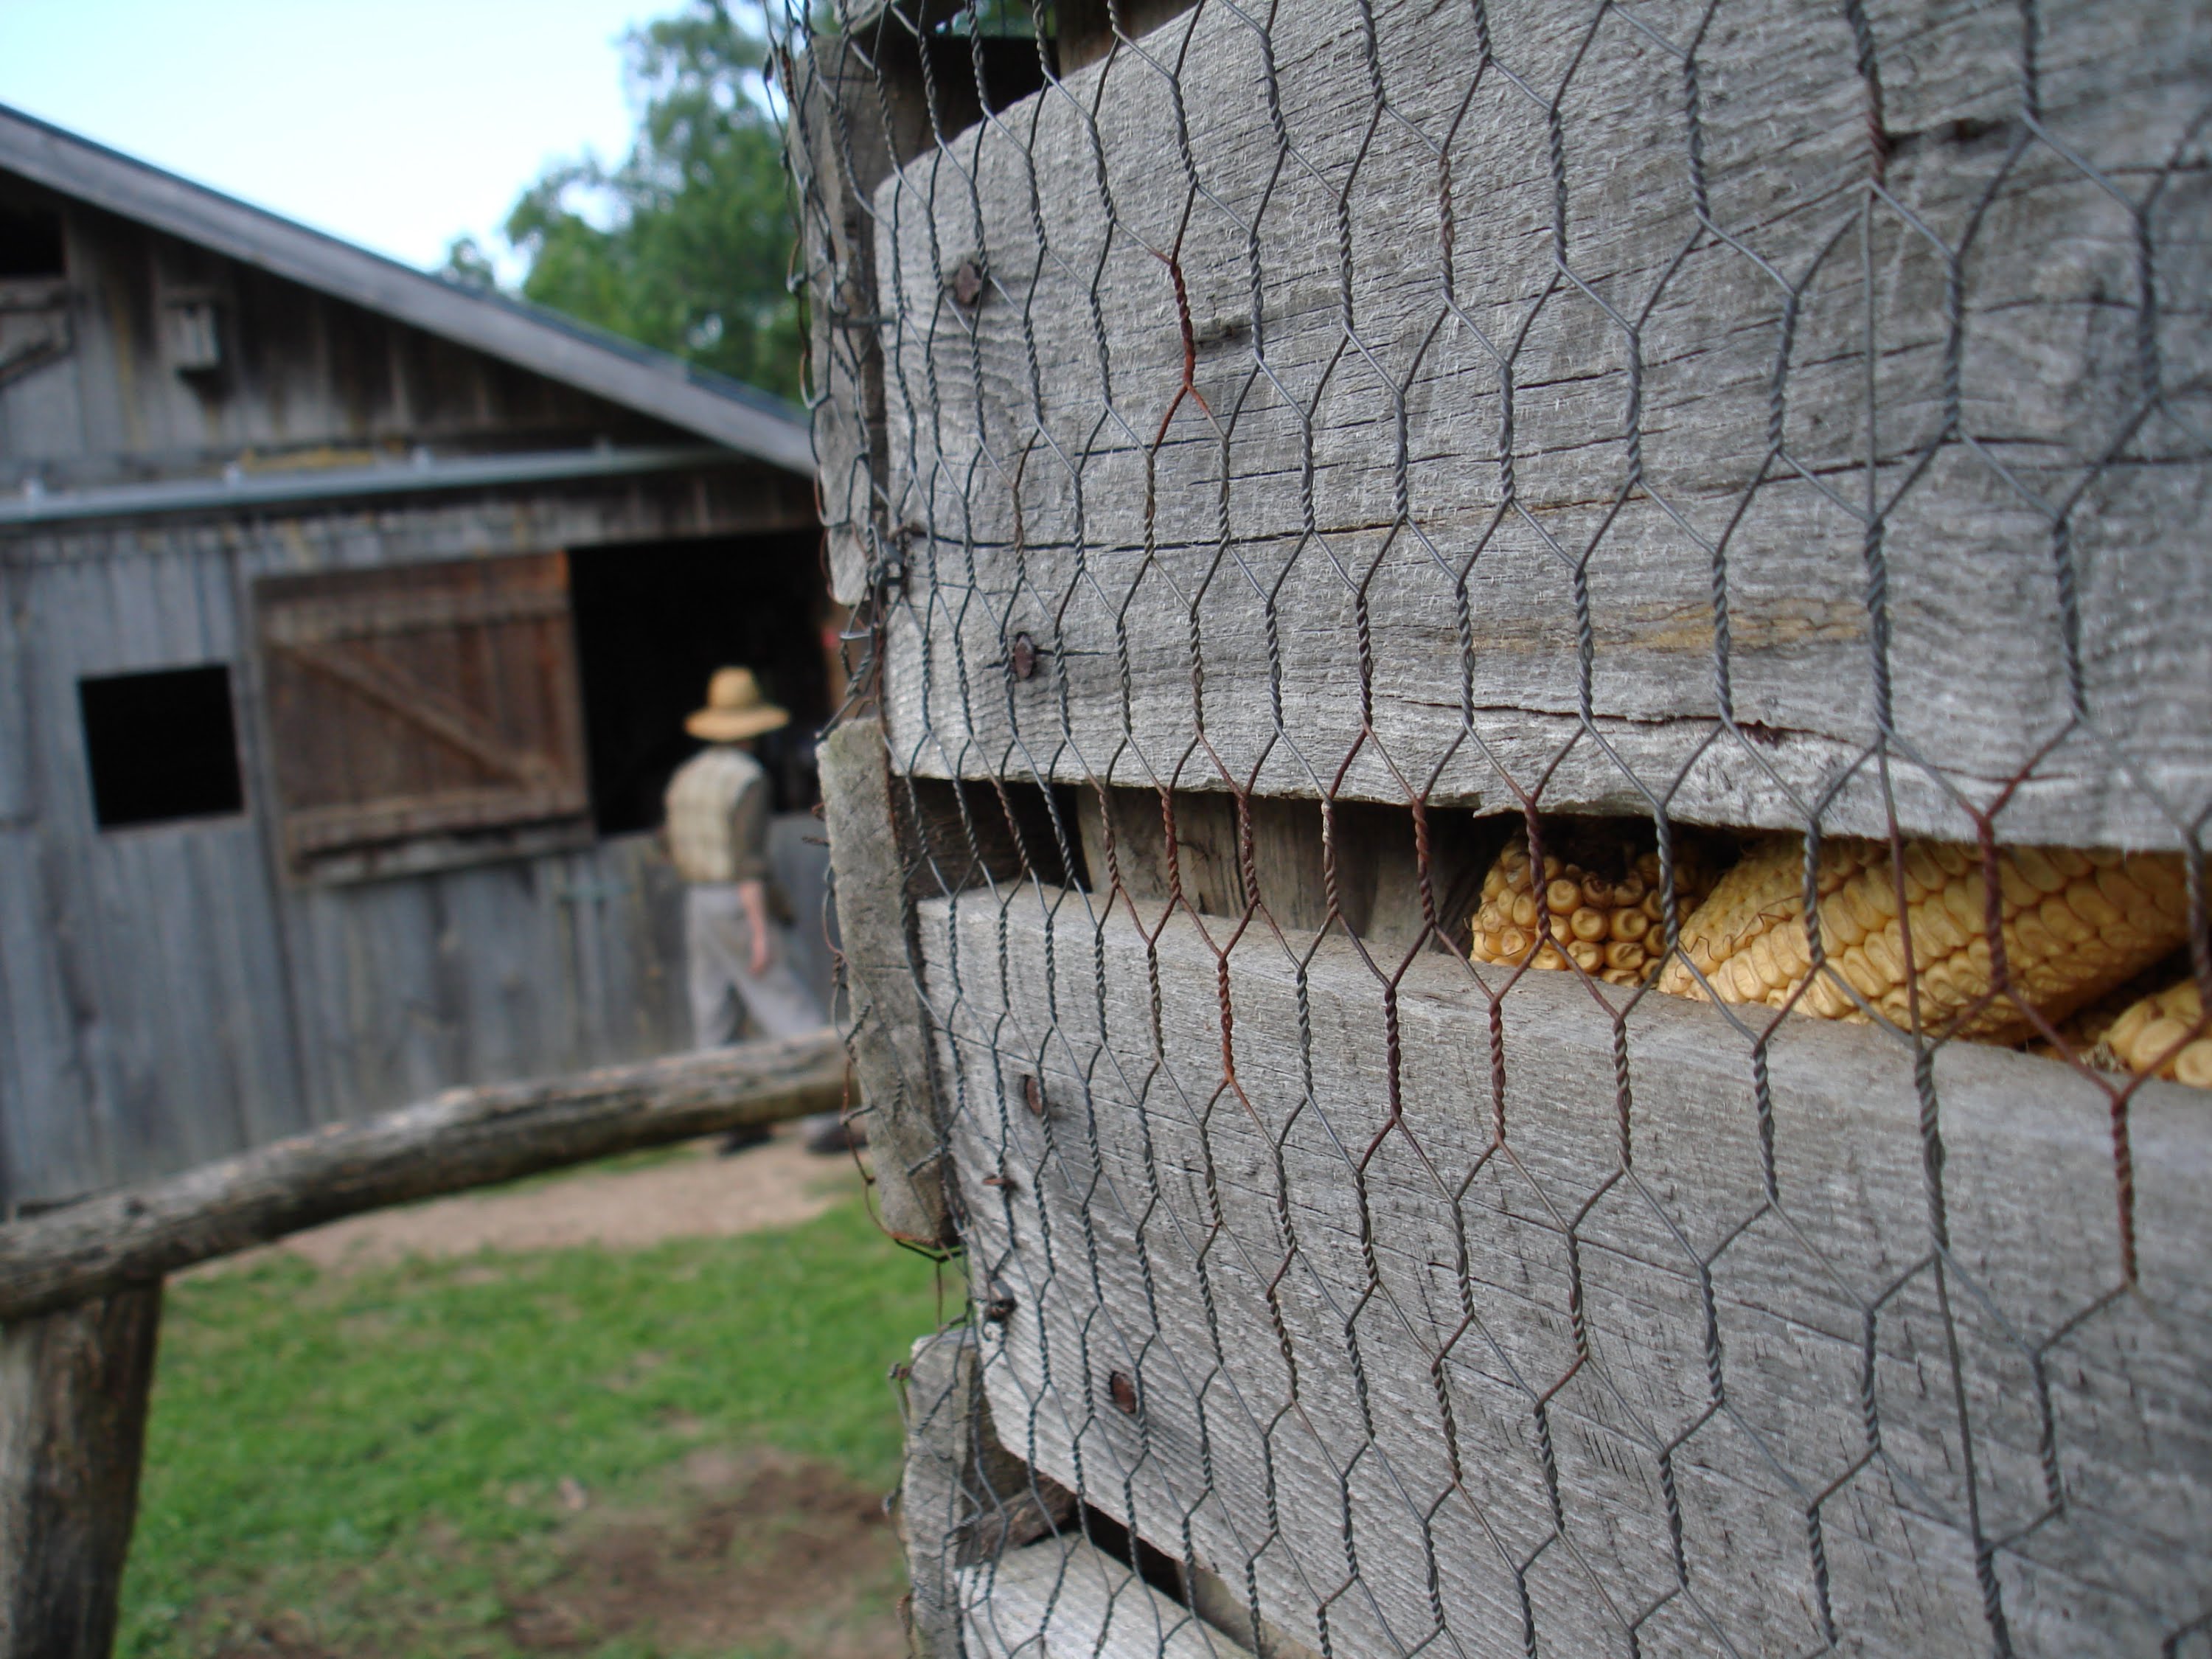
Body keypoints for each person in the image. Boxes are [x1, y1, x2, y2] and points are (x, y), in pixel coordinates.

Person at [664, 667, 850, 1155]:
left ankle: (730, 1121)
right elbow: (749, 864)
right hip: (735, 901)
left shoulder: (688, 777)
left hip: (698, 899)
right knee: (784, 1002)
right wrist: (761, 932)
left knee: (714, 1011)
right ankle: (822, 1120)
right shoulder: (747, 780)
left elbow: (671, 844)